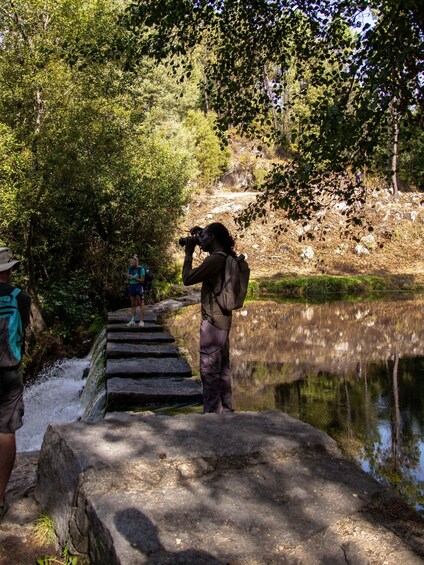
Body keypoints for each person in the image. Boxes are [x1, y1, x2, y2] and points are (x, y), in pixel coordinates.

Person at [182, 223, 235, 414]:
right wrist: (199, 234)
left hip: (212, 323)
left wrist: (189, 253)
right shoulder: (226, 256)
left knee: (209, 371)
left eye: (203, 236)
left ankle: (212, 416)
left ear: (212, 237)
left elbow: (187, 279)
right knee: (223, 370)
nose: (199, 240)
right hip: (223, 321)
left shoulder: (214, 260)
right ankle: (227, 412)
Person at [0, 247, 31, 520]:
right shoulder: (21, 297)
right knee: (6, 430)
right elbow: (25, 331)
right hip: (10, 370)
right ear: (9, 270)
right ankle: (0, 496)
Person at [126, 254, 145, 327]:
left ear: (136, 262)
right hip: (131, 286)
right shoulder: (130, 269)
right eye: (130, 263)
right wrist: (128, 277)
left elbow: (142, 281)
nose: (131, 264)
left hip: (139, 286)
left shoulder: (141, 269)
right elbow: (128, 277)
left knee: (141, 304)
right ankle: (132, 320)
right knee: (133, 304)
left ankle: (141, 321)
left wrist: (134, 278)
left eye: (132, 262)